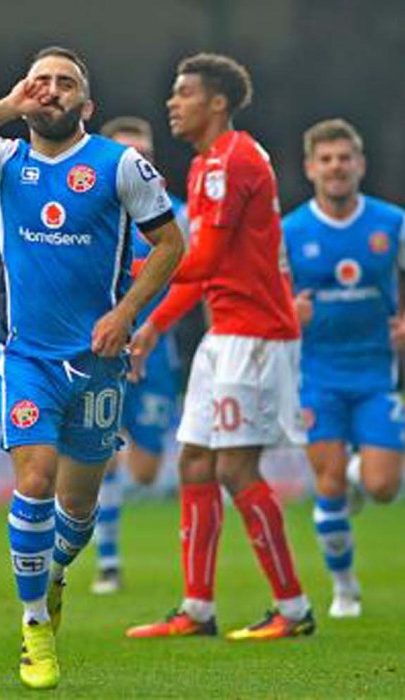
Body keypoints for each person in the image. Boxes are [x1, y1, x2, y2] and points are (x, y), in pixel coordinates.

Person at [0, 47, 184, 689]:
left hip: (96, 359)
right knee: (35, 480)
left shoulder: (119, 164)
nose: (51, 91)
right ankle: (36, 626)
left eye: (65, 83)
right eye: (41, 81)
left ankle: (57, 571)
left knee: (77, 513)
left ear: (86, 105)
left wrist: (125, 313)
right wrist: (8, 106)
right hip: (23, 354)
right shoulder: (7, 160)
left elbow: (170, 244)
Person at [126, 53, 315, 642]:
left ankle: (293, 607)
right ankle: (197, 609)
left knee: (235, 467)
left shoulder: (231, 162)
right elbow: (208, 270)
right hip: (225, 332)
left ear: (216, 103)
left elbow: (199, 259)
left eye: (183, 93)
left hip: (254, 335)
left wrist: (131, 278)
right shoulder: (209, 162)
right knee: (195, 463)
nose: (172, 103)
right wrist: (156, 322)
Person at [282, 118, 405, 618]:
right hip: (317, 374)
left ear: (360, 165)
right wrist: (291, 315)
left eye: (344, 158)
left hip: (377, 373)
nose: (336, 167)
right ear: (311, 168)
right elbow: (269, 299)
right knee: (329, 482)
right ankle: (344, 588)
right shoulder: (290, 230)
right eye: (326, 159)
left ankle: (360, 476)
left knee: (382, 488)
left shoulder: (391, 222)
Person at [91, 116, 187, 595]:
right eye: (127, 153)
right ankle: (108, 562)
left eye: (144, 154)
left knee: (146, 473)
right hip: (100, 351)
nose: (137, 162)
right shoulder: (90, 211)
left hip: (156, 355)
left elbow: (201, 283)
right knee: (103, 457)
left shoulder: (178, 217)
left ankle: (97, 518)